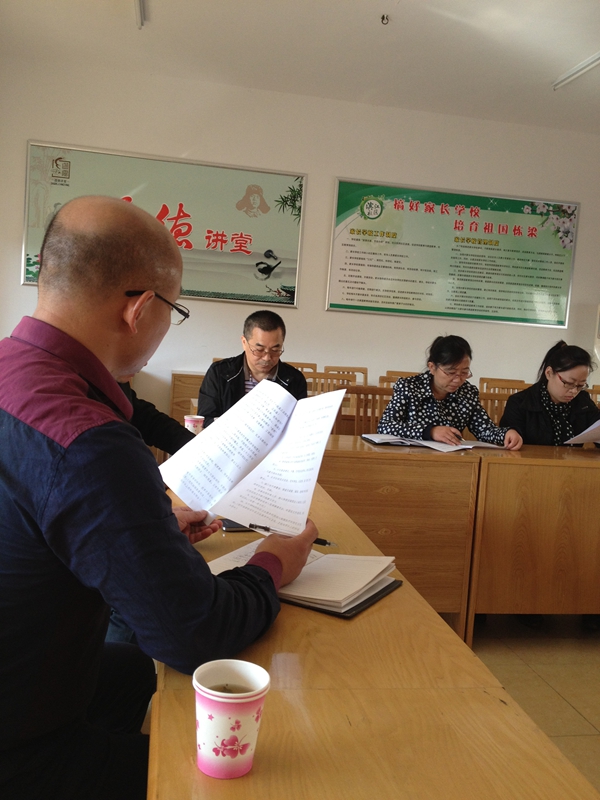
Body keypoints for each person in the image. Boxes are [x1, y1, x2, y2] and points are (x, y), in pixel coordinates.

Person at [0, 196, 317, 800]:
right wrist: (272, 564)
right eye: (175, 310)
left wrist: (145, 525)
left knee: (126, 673)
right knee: (244, 779)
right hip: (18, 748)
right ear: (141, 308)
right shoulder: (89, 439)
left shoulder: (14, 368)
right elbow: (195, 633)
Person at [377, 334, 523, 449]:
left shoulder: (467, 393)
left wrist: (507, 434)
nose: (458, 380)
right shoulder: (409, 387)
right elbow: (385, 426)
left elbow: (485, 430)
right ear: (432, 367)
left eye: (464, 373)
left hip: (451, 459)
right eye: (451, 372)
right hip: (411, 458)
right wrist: (430, 431)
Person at [197, 309, 307, 427]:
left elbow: (299, 425)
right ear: (244, 342)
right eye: (259, 350)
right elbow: (205, 419)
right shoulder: (219, 373)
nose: (267, 358)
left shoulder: (295, 380)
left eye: (275, 350)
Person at [500, 341, 600, 445]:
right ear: (549, 373)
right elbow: (508, 443)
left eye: (580, 385)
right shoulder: (519, 403)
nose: (574, 391)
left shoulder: (583, 402)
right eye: (568, 383)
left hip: (571, 456)